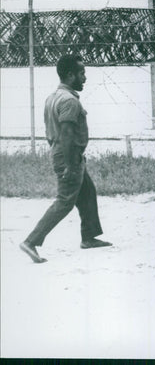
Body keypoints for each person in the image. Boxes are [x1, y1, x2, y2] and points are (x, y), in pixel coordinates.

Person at [20, 55, 112, 263]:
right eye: (81, 73)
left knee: (87, 191)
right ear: (70, 75)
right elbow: (68, 134)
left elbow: (50, 130)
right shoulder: (69, 101)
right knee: (64, 201)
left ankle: (89, 237)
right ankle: (31, 241)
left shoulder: (53, 96)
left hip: (62, 151)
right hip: (68, 154)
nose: (84, 78)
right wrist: (70, 165)